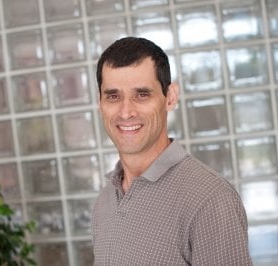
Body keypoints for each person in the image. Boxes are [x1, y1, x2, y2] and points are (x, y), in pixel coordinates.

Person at [91, 37, 252, 265]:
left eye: (142, 94)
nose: (126, 112)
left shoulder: (210, 200)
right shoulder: (105, 201)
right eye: (113, 96)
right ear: (100, 103)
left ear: (170, 98)